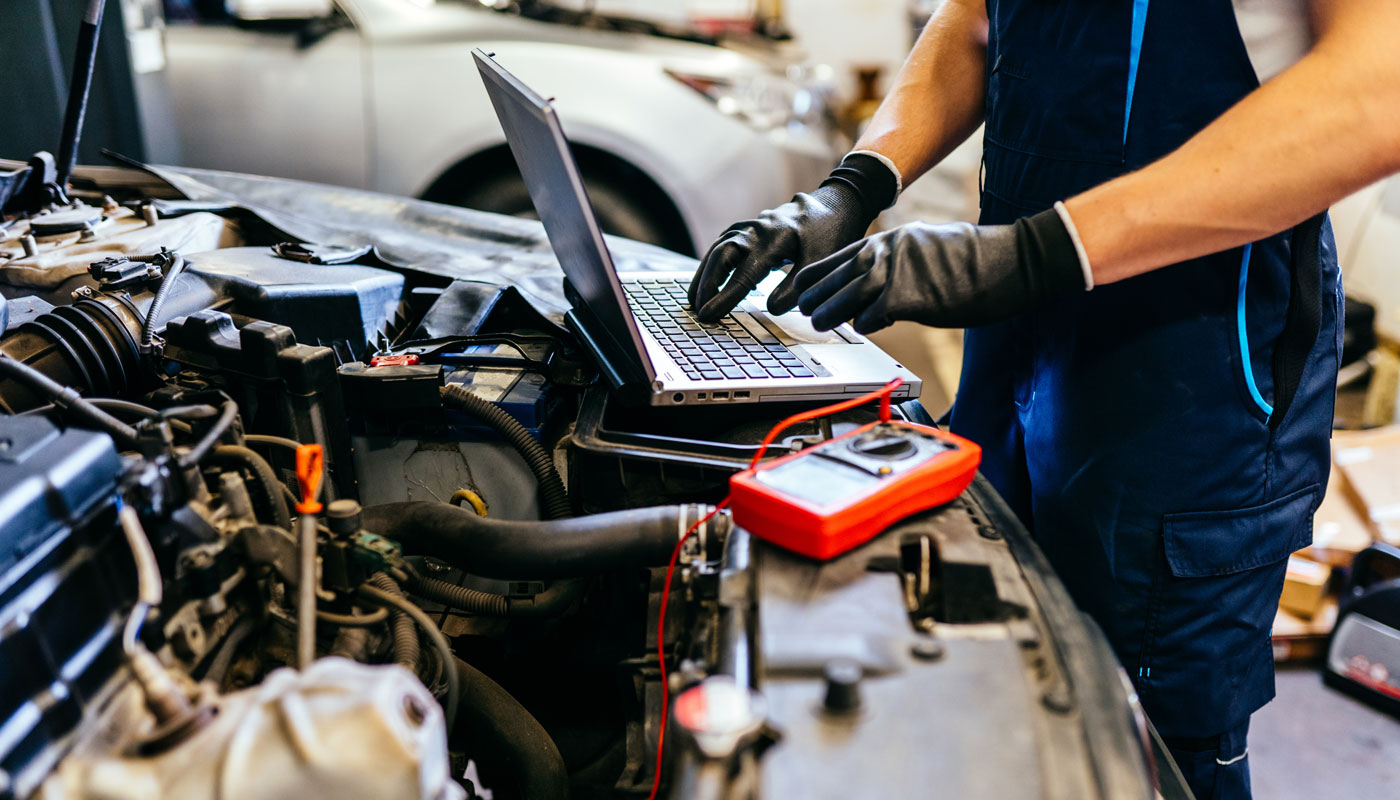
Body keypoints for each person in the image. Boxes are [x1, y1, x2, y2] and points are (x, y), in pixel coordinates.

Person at [687, 1, 1400, 797]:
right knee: (997, 678)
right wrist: (854, 188)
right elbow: (977, 19)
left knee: (1151, 747)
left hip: (1190, 380)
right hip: (1017, 337)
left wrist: (1032, 254)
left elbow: (1379, 89)